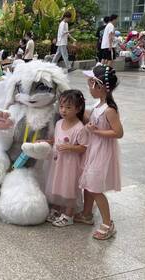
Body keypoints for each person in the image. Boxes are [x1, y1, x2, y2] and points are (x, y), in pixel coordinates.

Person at [78, 65, 123, 240]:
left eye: (91, 85)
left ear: (101, 86)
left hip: (102, 151)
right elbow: (91, 118)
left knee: (95, 188)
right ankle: (87, 214)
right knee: (88, 183)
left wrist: (96, 132)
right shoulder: (99, 105)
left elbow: (118, 132)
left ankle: (107, 223)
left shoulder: (110, 109)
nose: (89, 88)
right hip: (94, 148)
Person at [44, 90, 87, 227]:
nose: (63, 110)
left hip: (71, 164)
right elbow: (57, 139)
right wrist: (49, 142)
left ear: (78, 108)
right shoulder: (59, 123)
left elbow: (84, 147)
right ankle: (58, 208)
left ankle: (69, 215)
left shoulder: (80, 128)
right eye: (62, 106)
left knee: (70, 187)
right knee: (57, 184)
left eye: (68, 107)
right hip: (58, 162)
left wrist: (71, 148)